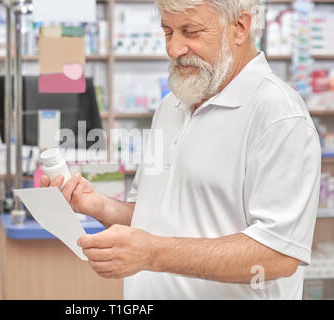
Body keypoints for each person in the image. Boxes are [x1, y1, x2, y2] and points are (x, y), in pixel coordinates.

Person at [40, 0, 321, 299]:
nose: (174, 49)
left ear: (239, 27)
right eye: (168, 32)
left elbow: (277, 254)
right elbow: (155, 216)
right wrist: (98, 206)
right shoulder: (172, 105)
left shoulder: (278, 115)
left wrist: (152, 253)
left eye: (191, 31)